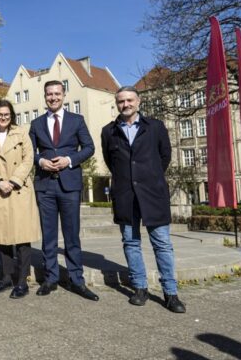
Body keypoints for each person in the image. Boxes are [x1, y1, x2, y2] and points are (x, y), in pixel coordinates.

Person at [100, 86, 186, 313]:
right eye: (121, 101)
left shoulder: (155, 127)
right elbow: (111, 162)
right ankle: (140, 287)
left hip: (153, 195)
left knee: (163, 244)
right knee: (131, 243)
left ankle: (170, 293)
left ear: (138, 102)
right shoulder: (108, 131)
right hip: (125, 195)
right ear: (116, 104)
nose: (125, 104)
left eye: (129, 100)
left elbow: (164, 156)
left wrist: (149, 177)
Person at [29, 80, 98, 301]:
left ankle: (77, 280)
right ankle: (51, 278)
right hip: (45, 185)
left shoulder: (76, 120)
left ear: (64, 95)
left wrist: (69, 159)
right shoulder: (36, 123)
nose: (53, 98)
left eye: (57, 94)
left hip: (69, 185)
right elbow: (28, 152)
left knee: (72, 235)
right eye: (49, 94)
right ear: (45, 96)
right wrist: (40, 161)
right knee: (48, 236)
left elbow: (89, 148)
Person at [0, 100, 41, 299]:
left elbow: (28, 158)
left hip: (19, 189)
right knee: (2, 237)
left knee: (22, 238)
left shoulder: (22, 133)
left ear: (11, 115)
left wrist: (13, 180)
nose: (3, 118)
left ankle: (22, 281)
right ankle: (6, 277)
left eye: (6, 114)